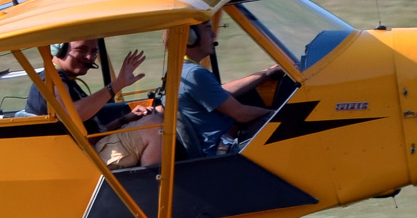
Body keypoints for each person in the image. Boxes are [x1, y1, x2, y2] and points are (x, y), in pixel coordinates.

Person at [24, 39, 162, 168]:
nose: (89, 57)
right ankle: (153, 187)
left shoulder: (64, 80)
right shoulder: (51, 80)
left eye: (94, 52)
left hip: (91, 147)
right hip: (82, 160)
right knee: (154, 126)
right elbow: (73, 115)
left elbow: (90, 132)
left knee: (159, 111)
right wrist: (117, 84)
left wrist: (124, 119)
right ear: (58, 49)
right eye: (82, 49)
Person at [174, 21, 283, 158]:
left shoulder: (181, 70)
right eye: (208, 29)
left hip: (227, 141)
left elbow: (219, 93)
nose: (214, 35)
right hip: (226, 151)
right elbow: (241, 114)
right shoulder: (194, 74)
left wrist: (265, 74)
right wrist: (278, 114)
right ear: (190, 37)